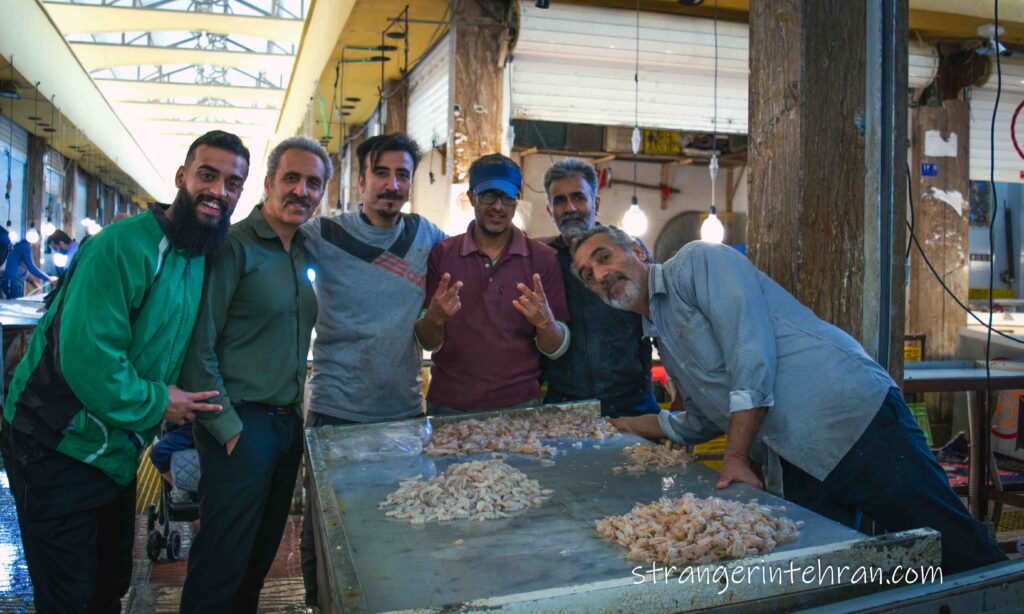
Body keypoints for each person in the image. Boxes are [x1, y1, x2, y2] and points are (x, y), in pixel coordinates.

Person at [570, 225, 1007, 574]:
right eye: (588, 276)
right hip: (798, 454)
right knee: (826, 571)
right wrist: (627, 426)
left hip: (852, 419)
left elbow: (751, 352)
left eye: (604, 257)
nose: (600, 275)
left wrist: (736, 456)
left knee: (949, 543)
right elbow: (703, 419)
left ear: (639, 253)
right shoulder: (661, 336)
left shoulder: (698, 262)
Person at [0, 129, 248, 613]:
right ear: (181, 177)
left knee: (109, 585)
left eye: (233, 183)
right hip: (54, 441)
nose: (219, 191)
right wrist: (161, 402)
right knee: (69, 597)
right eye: (208, 175)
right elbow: (88, 362)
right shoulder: (123, 248)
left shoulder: (199, 256)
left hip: (115, 449)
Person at [177, 136, 325, 613]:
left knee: (258, 561)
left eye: (314, 183)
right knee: (222, 564)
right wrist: (228, 429)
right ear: (267, 183)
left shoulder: (304, 251)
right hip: (242, 423)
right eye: (291, 178)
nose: (302, 191)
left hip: (286, 425)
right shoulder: (234, 248)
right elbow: (199, 347)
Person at [298, 132, 445, 607]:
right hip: (335, 413)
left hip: (401, 414)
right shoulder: (323, 235)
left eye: (403, 174)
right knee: (326, 536)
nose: (392, 184)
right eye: (381, 173)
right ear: (360, 179)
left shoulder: (428, 237)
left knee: (400, 528)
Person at [415, 153, 570, 414]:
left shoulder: (543, 260)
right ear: (472, 196)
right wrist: (434, 319)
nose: (498, 206)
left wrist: (546, 323)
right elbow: (427, 341)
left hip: (520, 407)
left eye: (507, 197)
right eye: (489, 195)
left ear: (516, 200)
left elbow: (556, 349)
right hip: (448, 405)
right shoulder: (443, 253)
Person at [539, 158, 658, 417]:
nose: (570, 207)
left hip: (632, 402)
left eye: (578, 197)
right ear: (550, 210)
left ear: (597, 203)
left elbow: (664, 319)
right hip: (564, 406)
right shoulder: (543, 259)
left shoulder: (627, 249)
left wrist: (684, 392)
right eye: (559, 200)